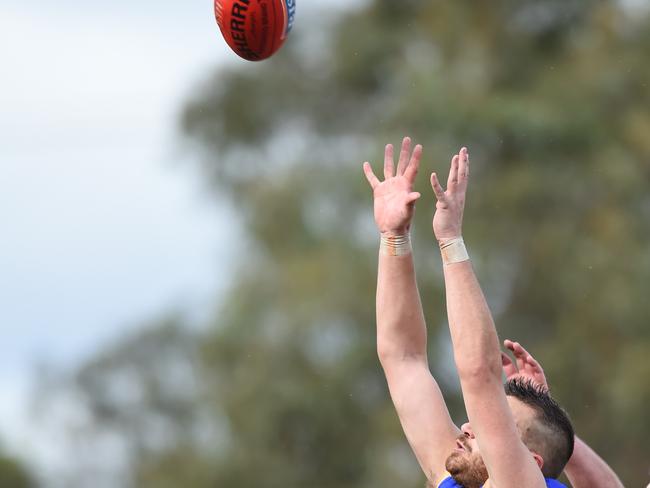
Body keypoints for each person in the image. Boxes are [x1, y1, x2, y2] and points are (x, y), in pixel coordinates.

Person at [362, 138, 623, 488]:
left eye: (494, 423)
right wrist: (394, 236)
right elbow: (402, 357)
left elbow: (480, 375)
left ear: (530, 464)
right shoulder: (459, 479)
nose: (468, 426)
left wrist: (451, 239)